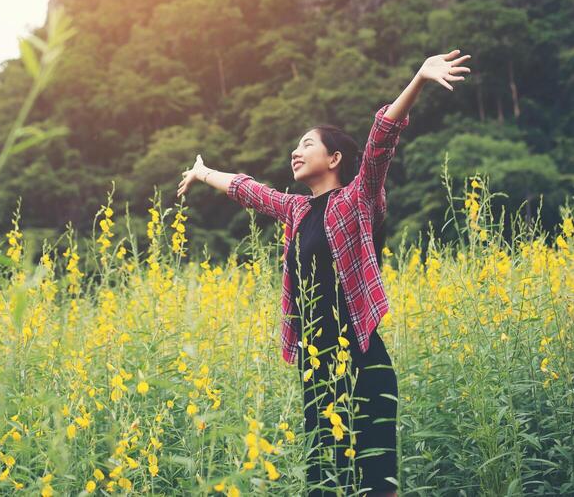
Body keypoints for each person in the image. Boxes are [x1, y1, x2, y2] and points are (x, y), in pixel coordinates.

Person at [177, 48, 471, 496]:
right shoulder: (297, 211)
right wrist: (203, 172)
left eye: (307, 144)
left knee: (376, 482)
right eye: (296, 147)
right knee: (324, 481)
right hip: (316, 365)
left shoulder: (355, 201)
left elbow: (380, 143)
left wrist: (417, 80)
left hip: (360, 356)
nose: (296, 152)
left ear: (334, 159)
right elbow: (248, 190)